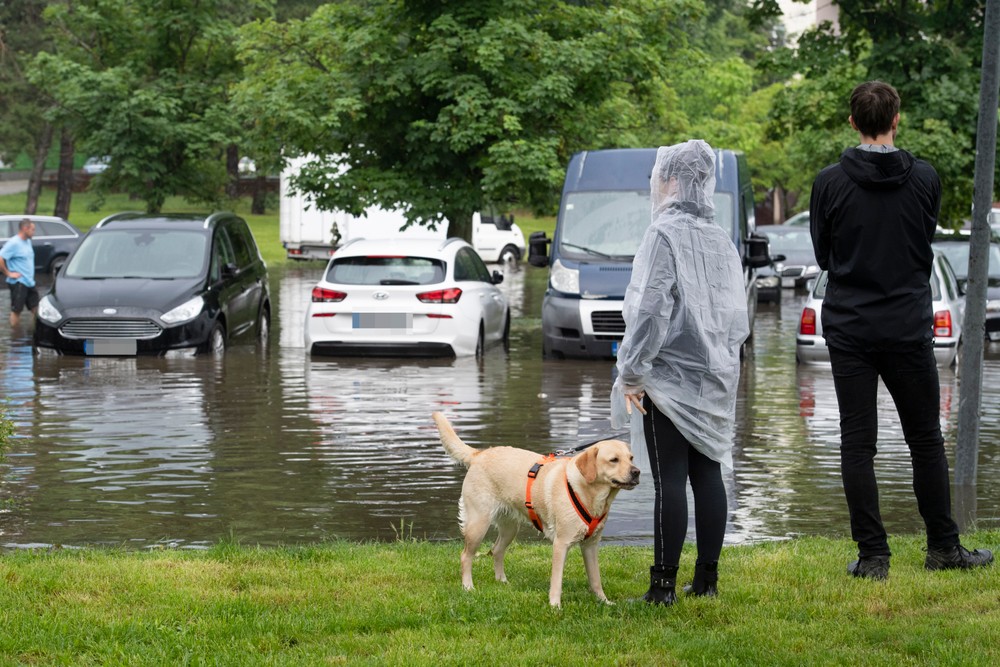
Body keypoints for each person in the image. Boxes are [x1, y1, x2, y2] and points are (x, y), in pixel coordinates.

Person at [810, 80, 993, 580]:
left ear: (853, 122)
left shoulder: (829, 183)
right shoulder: (926, 178)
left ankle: (873, 556)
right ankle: (943, 547)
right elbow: (922, 241)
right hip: (908, 323)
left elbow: (824, 255)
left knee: (857, 441)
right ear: (896, 120)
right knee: (925, 439)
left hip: (849, 323)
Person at [611, 140, 749, 605]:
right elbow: (735, 316)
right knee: (708, 473)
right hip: (714, 376)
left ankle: (662, 588)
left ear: (671, 179)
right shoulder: (720, 238)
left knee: (669, 478)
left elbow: (651, 310)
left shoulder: (662, 234)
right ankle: (706, 580)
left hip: (667, 379)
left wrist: (632, 373)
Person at [0, 218, 39, 327]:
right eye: (33, 229)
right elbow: (1, 258)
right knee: (17, 310)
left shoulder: (27, 241)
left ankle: (36, 332)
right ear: (25, 229)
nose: (34, 232)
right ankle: (15, 336)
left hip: (30, 282)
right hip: (19, 282)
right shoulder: (14, 243)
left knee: (36, 309)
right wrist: (8, 273)